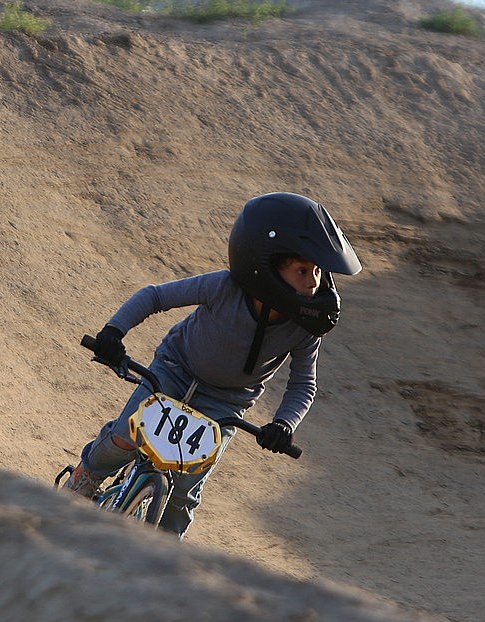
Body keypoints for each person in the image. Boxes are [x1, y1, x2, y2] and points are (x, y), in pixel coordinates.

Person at [59, 192, 362, 538]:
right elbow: (155, 296)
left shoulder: (305, 326)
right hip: (174, 371)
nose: (314, 282)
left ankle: (162, 565)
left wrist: (284, 424)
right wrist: (113, 333)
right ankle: (83, 479)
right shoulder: (224, 287)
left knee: (184, 494)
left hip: (227, 404)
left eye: (318, 271)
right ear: (265, 267)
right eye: (301, 270)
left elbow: (303, 384)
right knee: (124, 439)